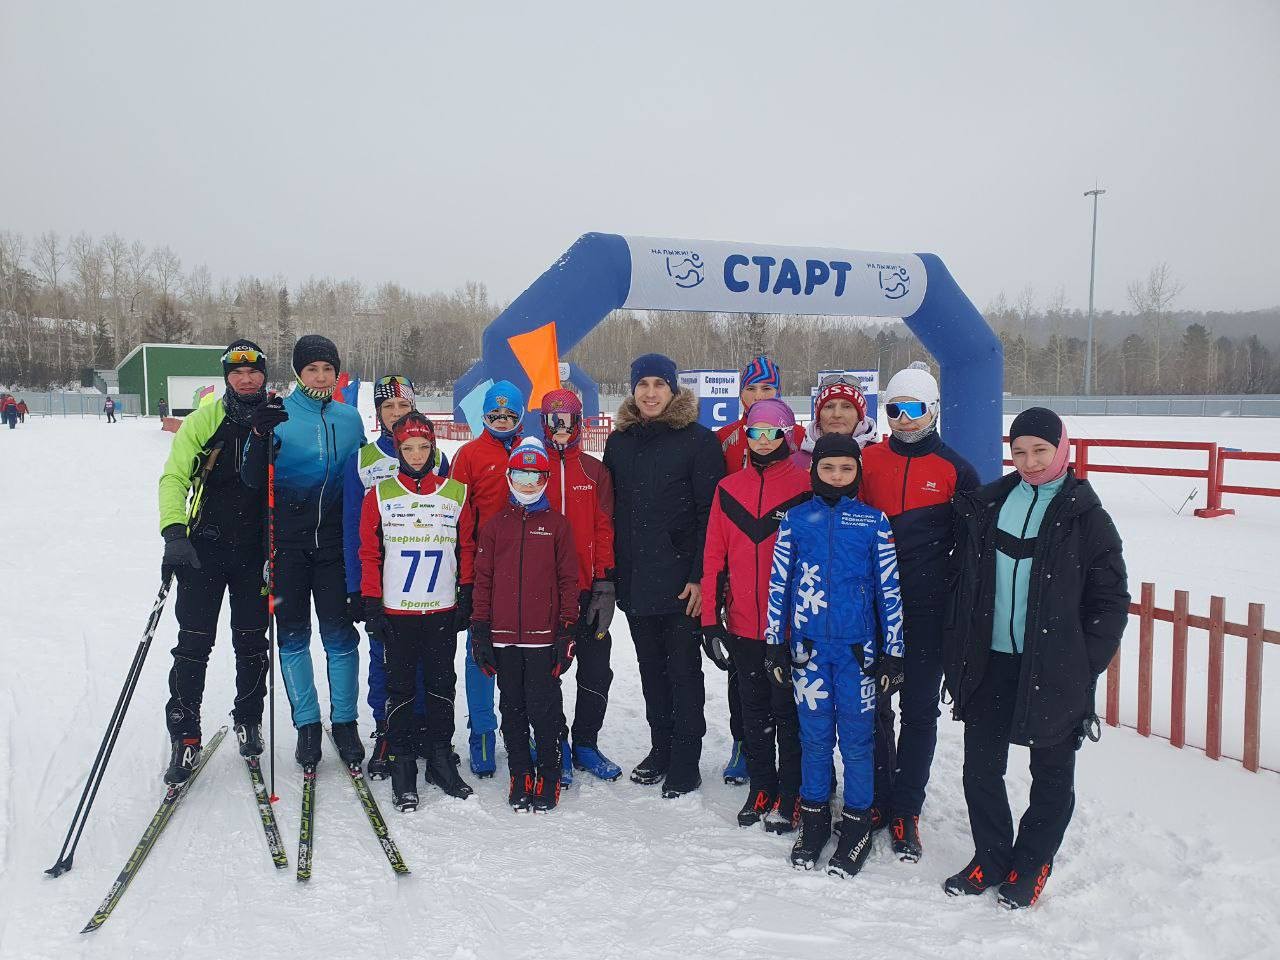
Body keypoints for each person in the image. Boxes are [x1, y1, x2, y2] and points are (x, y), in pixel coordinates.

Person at [942, 407, 1128, 909]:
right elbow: (965, 581)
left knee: (1051, 771)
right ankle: (990, 858)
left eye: (1040, 451)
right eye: (1020, 451)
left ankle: (1031, 864)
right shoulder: (990, 504)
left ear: (1062, 449)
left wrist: (1083, 663)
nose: (1030, 462)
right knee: (980, 768)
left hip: (1052, 666)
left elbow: (1110, 600)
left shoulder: (1087, 517)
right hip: (990, 661)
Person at [765, 433, 905, 878]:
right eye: (828, 467)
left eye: (847, 468)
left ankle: (857, 825)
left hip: (857, 653)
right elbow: (779, 584)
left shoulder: (873, 521)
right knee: (814, 739)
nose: (838, 476)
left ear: (858, 472)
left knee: (858, 743)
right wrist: (774, 643)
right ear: (814, 470)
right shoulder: (795, 520)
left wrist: (894, 653)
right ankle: (814, 822)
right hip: (807, 652)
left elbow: (888, 590)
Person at [858, 363, 979, 858]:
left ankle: (907, 807)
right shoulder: (867, 460)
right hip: (871, 605)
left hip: (928, 609)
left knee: (920, 709)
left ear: (933, 410)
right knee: (872, 704)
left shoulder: (956, 470)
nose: (904, 419)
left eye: (914, 409)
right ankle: (877, 795)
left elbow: (971, 552)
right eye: (894, 409)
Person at [240, 334, 365, 768]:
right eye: (312, 369)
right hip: (287, 548)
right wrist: (259, 434)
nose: (321, 376)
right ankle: (307, 725)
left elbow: (362, 481)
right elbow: (252, 478)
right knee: (293, 637)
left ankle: (345, 722)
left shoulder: (350, 419)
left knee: (340, 637)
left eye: (328, 369)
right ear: (298, 372)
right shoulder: (279, 414)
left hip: (334, 547)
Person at [604, 353, 724, 797]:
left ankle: (685, 759)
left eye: (659, 384)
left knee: (683, 672)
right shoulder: (619, 443)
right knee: (651, 671)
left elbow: (710, 514)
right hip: (636, 579)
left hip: (681, 584)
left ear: (673, 390)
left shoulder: (698, 441)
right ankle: (661, 748)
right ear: (633, 390)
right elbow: (613, 511)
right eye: (643, 384)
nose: (650, 393)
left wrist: (700, 576)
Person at [156, 340, 271, 783]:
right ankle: (185, 735)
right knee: (193, 645)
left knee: (252, 643)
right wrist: (174, 532)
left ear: (264, 374)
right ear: (227, 378)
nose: (246, 379)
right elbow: (174, 477)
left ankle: (249, 718)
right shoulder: (205, 419)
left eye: (254, 371)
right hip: (204, 550)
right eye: (237, 373)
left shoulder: (275, 417)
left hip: (255, 553)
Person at [701, 398, 810, 831]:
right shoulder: (729, 488)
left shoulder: (806, 485)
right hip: (744, 623)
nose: (763, 441)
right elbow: (714, 556)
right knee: (754, 711)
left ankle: (793, 792)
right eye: (754, 433)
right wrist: (711, 621)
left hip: (791, 629)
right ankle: (762, 786)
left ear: (787, 434)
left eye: (772, 433)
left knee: (790, 713)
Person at [358, 412, 474, 811]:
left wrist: (467, 593)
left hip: (441, 608)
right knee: (400, 688)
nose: (417, 455)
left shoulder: (455, 493)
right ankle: (403, 761)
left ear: (434, 448)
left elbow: (467, 548)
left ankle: (440, 757)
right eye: (408, 448)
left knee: (442, 685)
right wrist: (372, 603)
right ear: (398, 451)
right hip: (398, 611)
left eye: (424, 447)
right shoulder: (379, 495)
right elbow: (369, 553)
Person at [342, 374, 450, 777]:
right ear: (378, 413)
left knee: (426, 663)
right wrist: (357, 587)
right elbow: (352, 528)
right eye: (388, 406)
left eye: (403, 405)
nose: (396, 413)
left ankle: (420, 727)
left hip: (427, 581)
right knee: (383, 660)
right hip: (383, 583)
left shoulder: (436, 456)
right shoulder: (363, 460)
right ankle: (387, 728)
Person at [470, 437, 579, 812]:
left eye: (536, 476)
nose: (528, 484)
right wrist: (480, 630)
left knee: (543, 709)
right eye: (520, 475)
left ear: (546, 479)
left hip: (543, 638)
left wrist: (567, 630)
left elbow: (568, 581)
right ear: (509, 476)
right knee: (512, 708)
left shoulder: (557, 526)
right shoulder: (495, 527)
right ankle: (520, 772)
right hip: (503, 638)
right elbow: (483, 581)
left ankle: (549, 772)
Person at [540, 388, 620, 785]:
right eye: (553, 421)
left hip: (588, 589)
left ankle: (586, 741)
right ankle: (555, 742)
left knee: (596, 669)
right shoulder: (532, 467)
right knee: (548, 670)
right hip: (545, 591)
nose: (561, 428)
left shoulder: (594, 471)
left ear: (579, 423)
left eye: (568, 420)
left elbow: (604, 528)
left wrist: (605, 580)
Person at [453, 380, 527, 778]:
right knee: (479, 652)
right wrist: (466, 578)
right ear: (483, 416)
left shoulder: (530, 449)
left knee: (527, 652)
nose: (501, 420)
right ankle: (481, 728)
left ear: (520, 417)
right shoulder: (468, 455)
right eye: (494, 414)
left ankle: (526, 725)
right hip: (485, 570)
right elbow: (461, 522)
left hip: (529, 568)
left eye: (509, 415)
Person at [790, 377, 876, 471]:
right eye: (829, 406)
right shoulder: (793, 466)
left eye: (847, 406)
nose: (837, 414)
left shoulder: (879, 459)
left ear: (860, 416)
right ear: (819, 415)